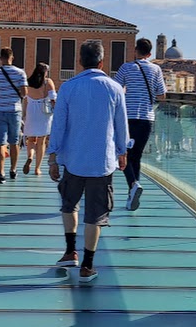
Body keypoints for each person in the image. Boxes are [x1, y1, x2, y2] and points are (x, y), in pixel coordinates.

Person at [48, 40, 128, 282]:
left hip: (73, 159)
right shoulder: (114, 88)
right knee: (96, 215)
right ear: (102, 62)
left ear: (80, 61)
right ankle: (88, 265)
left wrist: (53, 156)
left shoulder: (68, 87)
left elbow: (58, 125)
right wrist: (123, 152)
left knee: (69, 204)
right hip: (102, 162)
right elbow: (121, 125)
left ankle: (69, 251)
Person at [114, 37, 167, 211]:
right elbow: (162, 95)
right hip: (146, 118)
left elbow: (116, 89)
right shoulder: (156, 69)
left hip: (127, 118)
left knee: (122, 153)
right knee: (136, 156)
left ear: (135, 51)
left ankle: (133, 185)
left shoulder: (126, 68)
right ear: (150, 54)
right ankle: (132, 193)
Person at [0, 47, 26, 183]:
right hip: (15, 110)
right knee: (14, 142)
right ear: (12, 57)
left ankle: (1, 173)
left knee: (0, 143)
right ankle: (13, 170)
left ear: (0, 58)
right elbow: (24, 92)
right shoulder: (20, 73)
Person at [22, 62, 56, 175]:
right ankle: (37, 168)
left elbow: (25, 99)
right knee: (41, 142)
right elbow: (53, 98)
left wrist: (24, 114)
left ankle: (30, 157)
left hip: (31, 111)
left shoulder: (28, 82)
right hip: (43, 112)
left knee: (31, 140)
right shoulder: (48, 82)